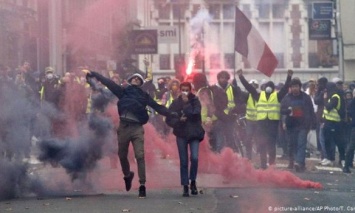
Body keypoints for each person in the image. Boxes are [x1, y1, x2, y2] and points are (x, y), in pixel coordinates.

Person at [84, 69, 175, 198]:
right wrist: (95, 74)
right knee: (122, 155)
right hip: (124, 127)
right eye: (134, 78)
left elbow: (157, 107)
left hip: (137, 128)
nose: (136, 79)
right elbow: (108, 83)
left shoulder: (144, 96)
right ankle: (128, 175)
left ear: (141, 83)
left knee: (140, 156)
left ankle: (142, 186)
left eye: (139, 79)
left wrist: (172, 113)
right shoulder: (123, 92)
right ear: (130, 80)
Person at [237, 69, 293, 169]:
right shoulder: (259, 95)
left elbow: (285, 89)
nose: (269, 88)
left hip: (272, 124)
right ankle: (263, 165)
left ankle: (271, 164)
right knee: (262, 144)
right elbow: (248, 87)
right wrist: (241, 77)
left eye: (271, 87)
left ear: (273, 88)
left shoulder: (277, 96)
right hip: (262, 124)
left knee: (271, 145)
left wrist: (289, 77)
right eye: (268, 86)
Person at [165, 82, 204, 197]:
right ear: (180, 90)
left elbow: (195, 113)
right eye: (183, 90)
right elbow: (169, 118)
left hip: (194, 133)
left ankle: (193, 181)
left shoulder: (195, 101)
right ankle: (185, 185)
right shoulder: (176, 103)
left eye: (187, 90)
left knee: (195, 158)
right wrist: (178, 120)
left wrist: (187, 104)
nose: (185, 92)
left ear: (191, 90)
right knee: (183, 161)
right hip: (181, 133)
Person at [281, 78, 315, 172]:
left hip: (303, 125)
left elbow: (311, 110)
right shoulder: (287, 97)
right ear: (290, 88)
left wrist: (312, 123)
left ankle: (299, 162)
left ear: (300, 87)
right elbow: (281, 110)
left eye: (296, 86)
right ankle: (293, 161)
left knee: (301, 144)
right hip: (291, 125)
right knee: (292, 144)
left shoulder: (305, 97)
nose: (295, 88)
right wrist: (288, 111)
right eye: (293, 87)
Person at [343, 89, 355, 173]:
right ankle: (346, 165)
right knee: (351, 146)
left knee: (351, 146)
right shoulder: (353, 102)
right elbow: (349, 112)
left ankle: (347, 165)